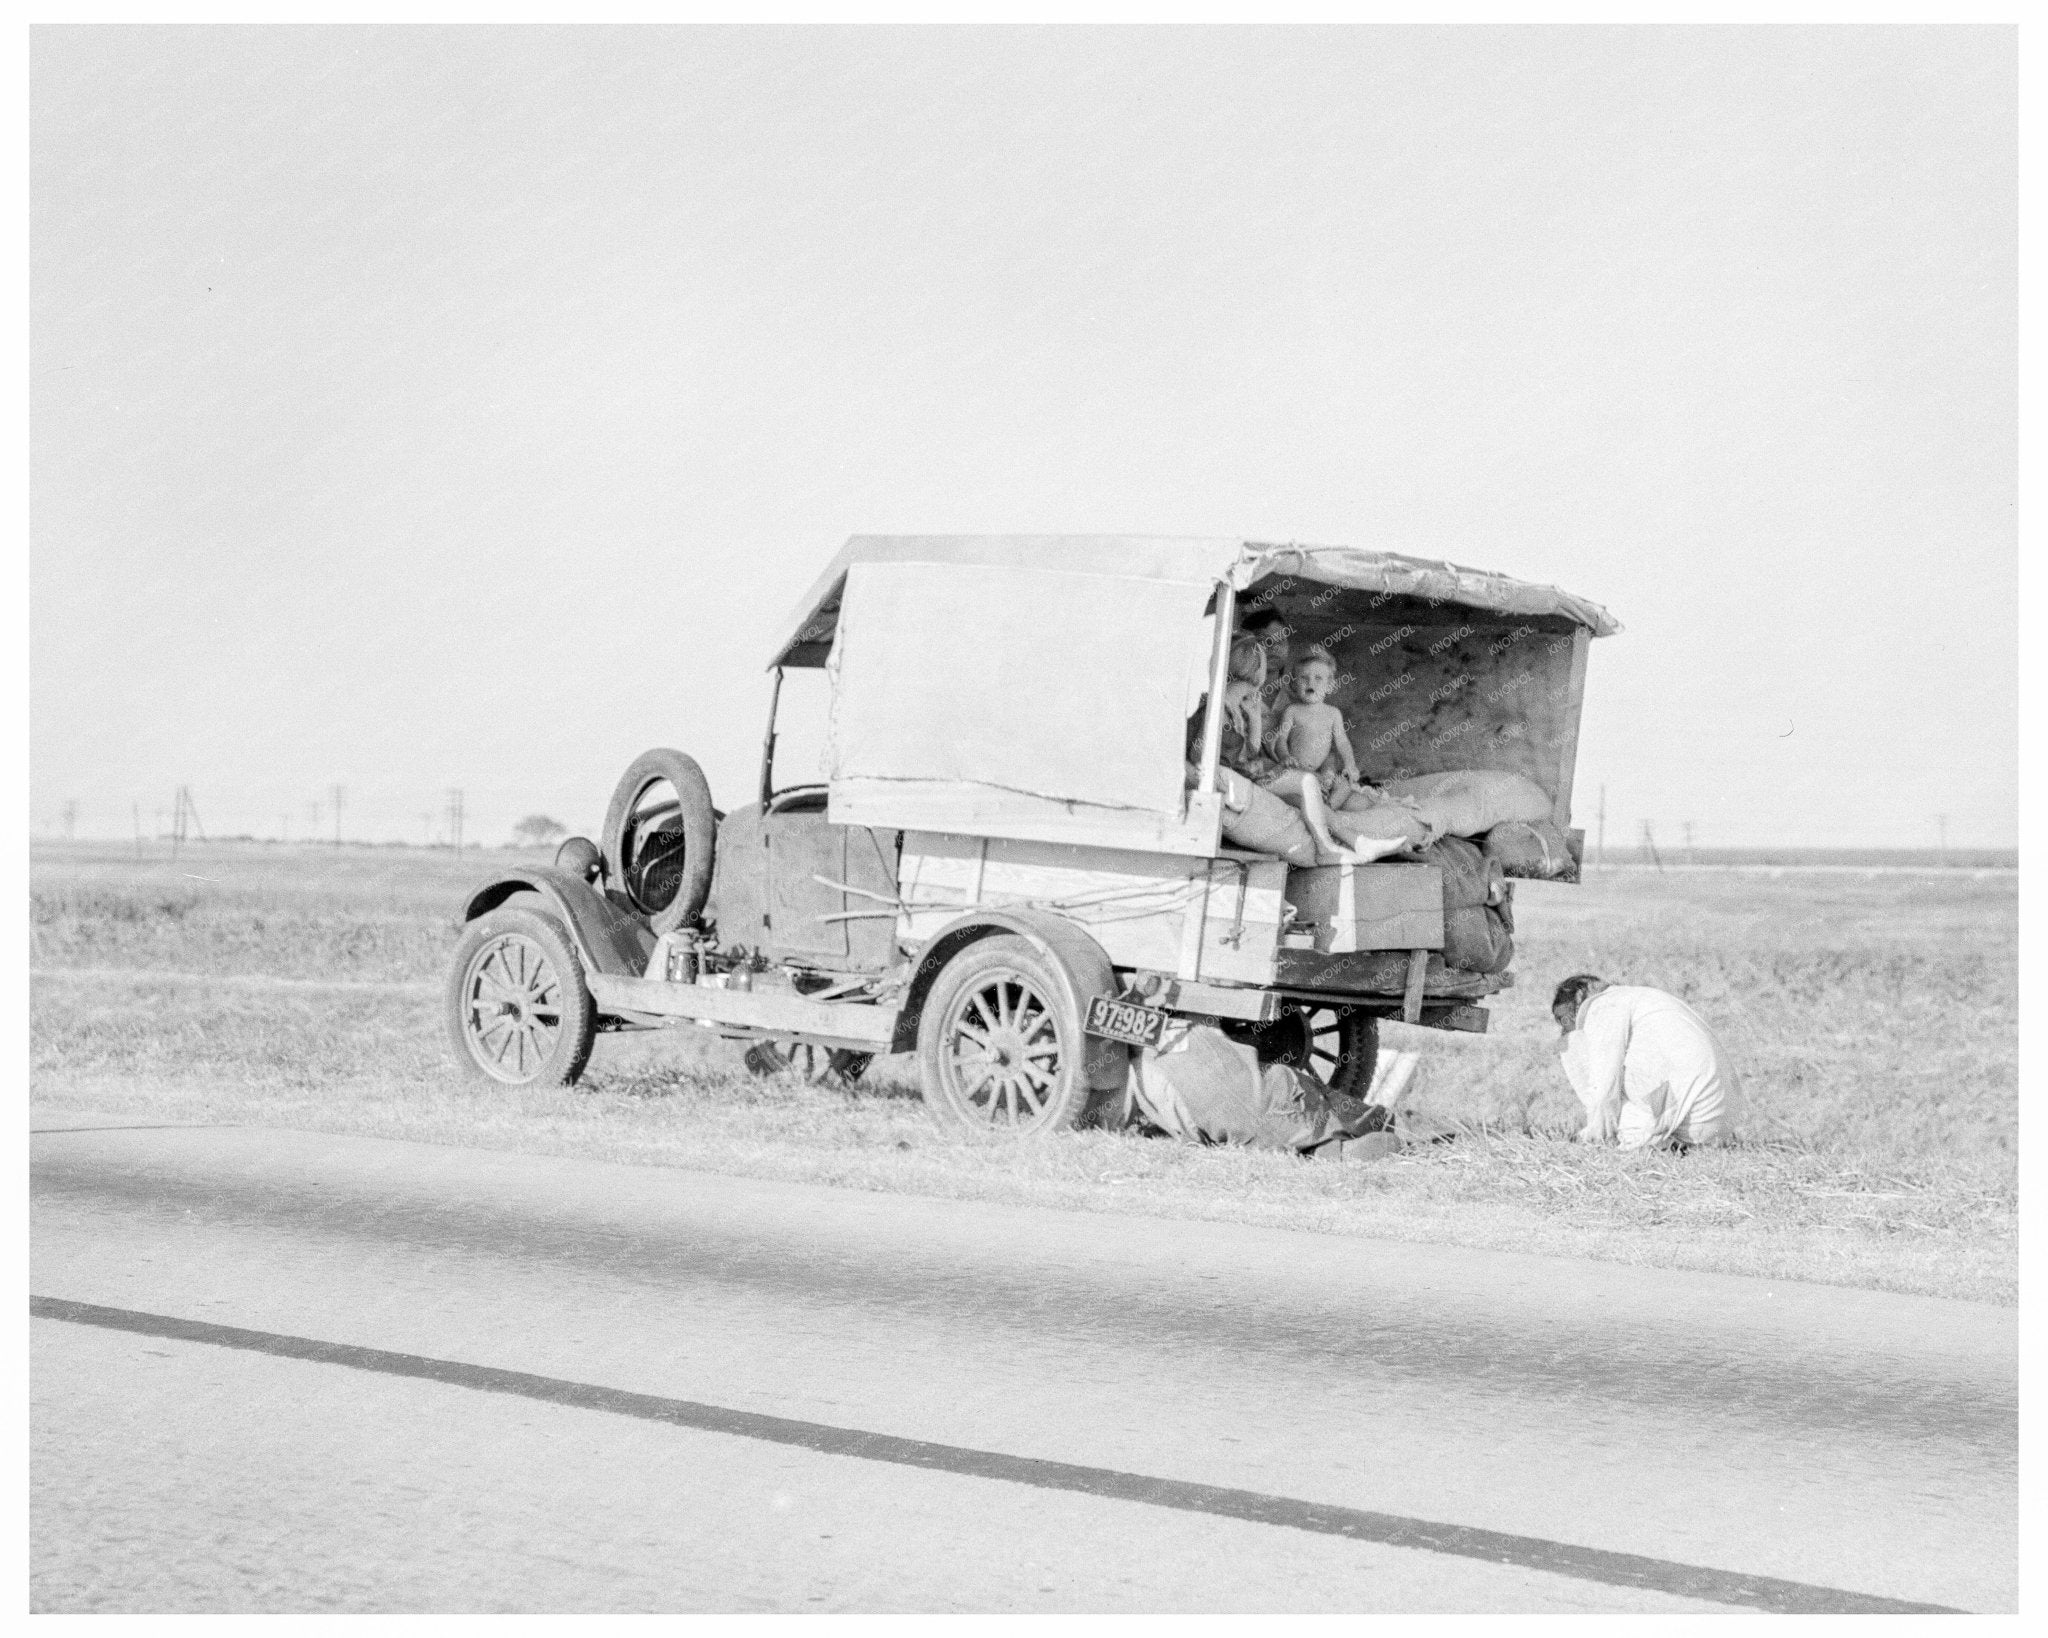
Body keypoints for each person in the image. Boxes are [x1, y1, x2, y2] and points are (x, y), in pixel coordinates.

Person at [1551, 975, 1746, 1150]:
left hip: (1695, 1112)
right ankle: (1653, 1136)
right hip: (1722, 1119)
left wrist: (1593, 1136)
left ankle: (1630, 1135)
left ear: (1579, 998)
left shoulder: (1604, 1006)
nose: (1564, 1028)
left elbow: (1604, 1085)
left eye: (1564, 1019)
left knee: (1572, 1046)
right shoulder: (1639, 998)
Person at [1268, 646, 1360, 805]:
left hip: (1323, 772)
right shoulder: (1292, 711)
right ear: (1294, 684)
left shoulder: (1333, 713)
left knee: (1344, 786)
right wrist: (1285, 757)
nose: (1311, 683)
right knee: (1292, 787)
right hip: (1298, 769)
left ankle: (1329, 807)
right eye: (1304, 678)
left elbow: (1342, 742)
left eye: (1318, 678)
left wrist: (1350, 764)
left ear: (1330, 685)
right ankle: (1315, 803)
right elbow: (1280, 740)